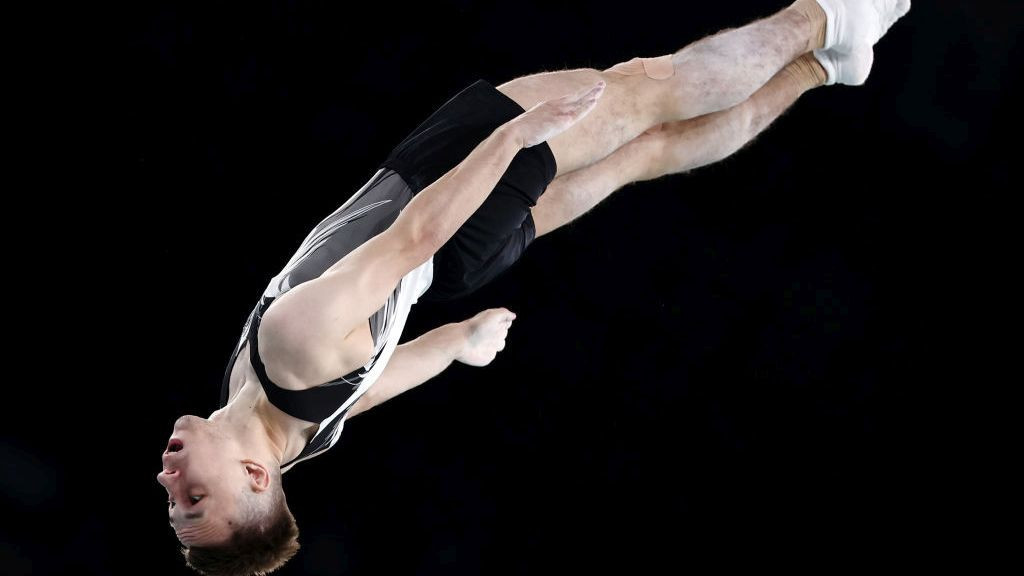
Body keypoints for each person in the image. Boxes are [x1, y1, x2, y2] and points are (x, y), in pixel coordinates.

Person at [156, 1, 911, 574]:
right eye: (196, 499)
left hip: (456, 268)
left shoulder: (289, 438)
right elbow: (411, 232)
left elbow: (369, 387)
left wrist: (459, 344)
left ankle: (826, 68)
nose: (170, 480)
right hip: (447, 191)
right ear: (254, 478)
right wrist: (512, 137)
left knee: (637, 158)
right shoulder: (287, 350)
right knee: (652, 89)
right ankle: (836, 15)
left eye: (174, 505)